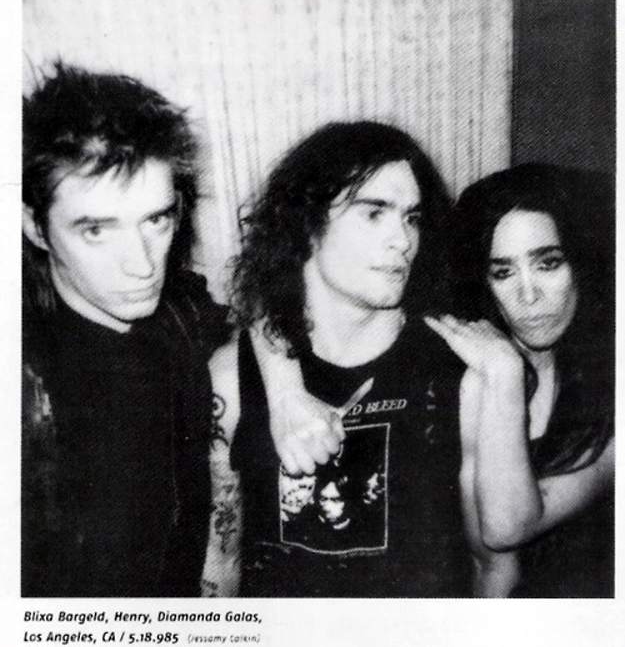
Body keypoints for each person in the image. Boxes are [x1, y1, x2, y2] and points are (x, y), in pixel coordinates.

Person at [201, 121, 473, 597]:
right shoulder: (232, 374)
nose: (403, 240)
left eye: (411, 218)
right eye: (374, 213)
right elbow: (221, 559)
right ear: (307, 223)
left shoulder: (455, 361)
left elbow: (491, 560)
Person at [21, 61, 230, 596]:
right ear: (34, 226)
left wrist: (285, 383)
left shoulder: (181, 314)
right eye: (97, 230)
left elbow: (254, 321)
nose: (141, 265)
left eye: (156, 220)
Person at [424, 163, 615, 597]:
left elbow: (506, 527)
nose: (528, 296)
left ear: (583, 263)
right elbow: (491, 566)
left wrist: (506, 373)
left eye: (548, 263)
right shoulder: (467, 372)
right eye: (503, 272)